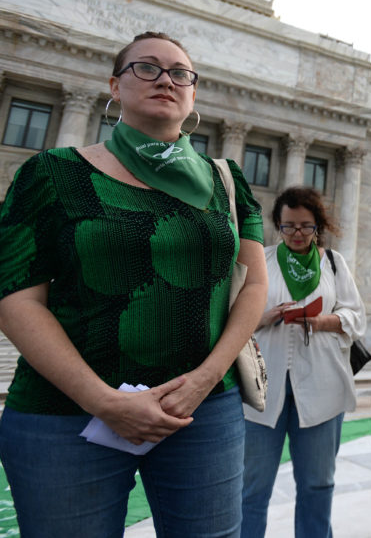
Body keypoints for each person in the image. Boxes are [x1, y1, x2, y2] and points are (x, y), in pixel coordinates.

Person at [0, 31, 268, 536]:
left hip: (202, 411)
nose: (166, 79)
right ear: (114, 86)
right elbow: (16, 296)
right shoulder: (50, 173)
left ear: (192, 94)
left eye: (180, 73)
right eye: (146, 68)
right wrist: (104, 402)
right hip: (67, 415)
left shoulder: (227, 179)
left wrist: (207, 378)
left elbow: (253, 286)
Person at [241, 186, 367, 538]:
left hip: (322, 387)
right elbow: (231, 317)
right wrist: (266, 316)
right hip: (263, 390)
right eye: (289, 226)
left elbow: (357, 317)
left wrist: (323, 321)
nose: (297, 234)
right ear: (277, 226)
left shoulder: (334, 264)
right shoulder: (260, 261)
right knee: (251, 487)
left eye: (305, 226)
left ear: (318, 227)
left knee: (317, 485)